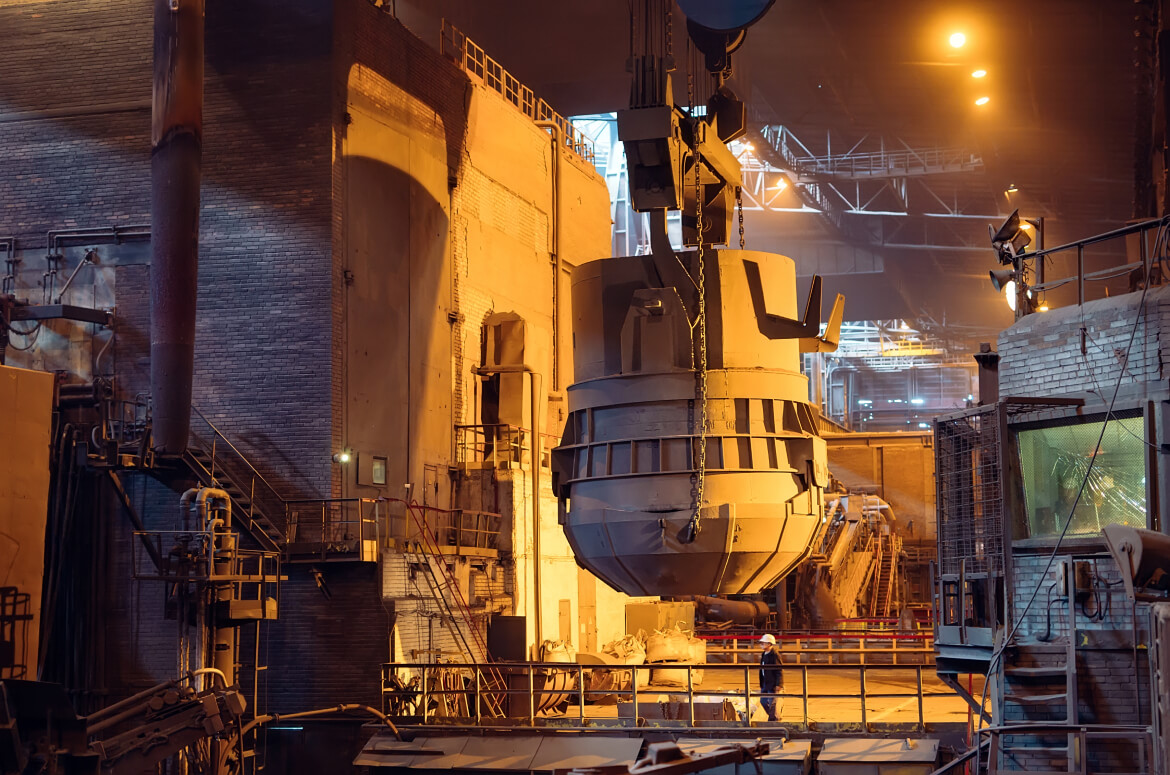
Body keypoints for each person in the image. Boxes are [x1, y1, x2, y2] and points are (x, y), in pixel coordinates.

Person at [758, 633, 782, 721]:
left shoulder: (774, 655)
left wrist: (778, 684)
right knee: (763, 701)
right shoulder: (764, 654)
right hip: (765, 682)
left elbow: (779, 670)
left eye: (763, 643)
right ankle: (774, 717)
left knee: (772, 703)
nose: (761, 644)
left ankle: (773, 719)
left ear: (769, 644)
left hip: (772, 683)